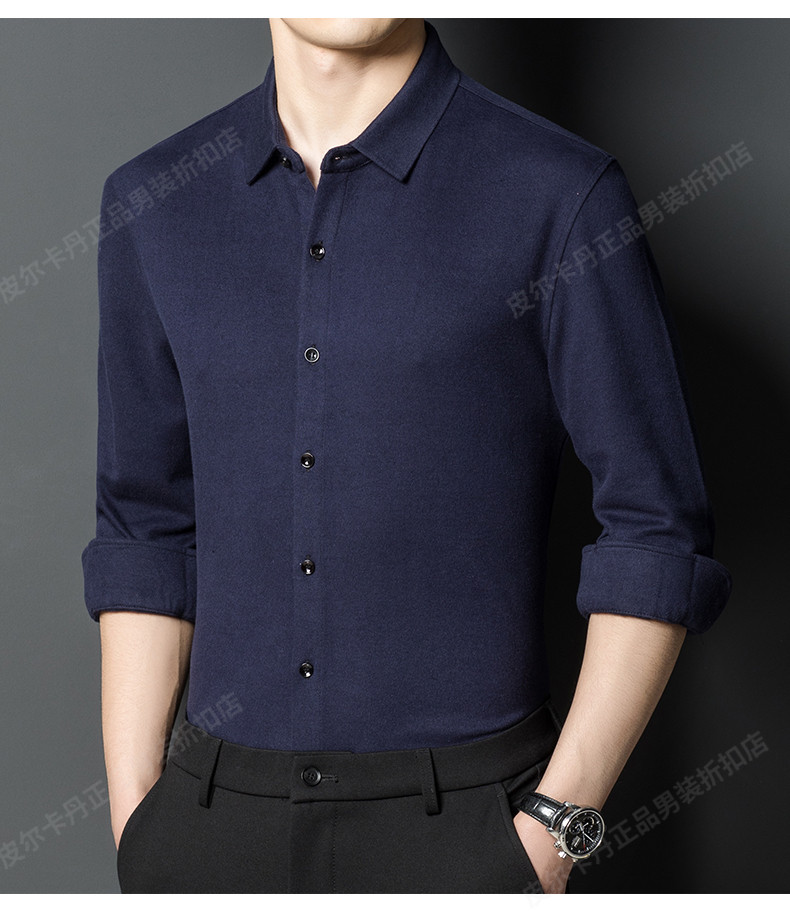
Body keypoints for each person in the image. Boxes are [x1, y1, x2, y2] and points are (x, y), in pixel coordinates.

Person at [81, 18, 732, 894]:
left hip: (470, 832)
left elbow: (656, 527)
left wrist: (549, 837)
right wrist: (140, 828)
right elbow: (143, 525)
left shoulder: (559, 191)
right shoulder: (153, 203)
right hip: (209, 832)